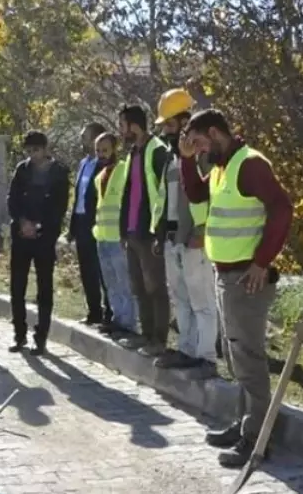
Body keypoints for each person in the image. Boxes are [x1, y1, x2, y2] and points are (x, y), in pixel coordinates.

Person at [180, 109, 292, 468]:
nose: (197, 150)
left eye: (198, 142)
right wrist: (185, 161)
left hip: (247, 277)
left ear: (215, 133)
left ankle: (257, 439)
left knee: (249, 359)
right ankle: (243, 425)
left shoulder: (250, 164)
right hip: (226, 274)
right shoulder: (221, 166)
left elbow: (282, 210)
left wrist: (262, 261)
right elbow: (196, 194)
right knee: (234, 356)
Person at [153, 89, 218, 377]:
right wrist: (161, 234)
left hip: (195, 240)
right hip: (172, 238)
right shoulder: (171, 156)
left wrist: (202, 231)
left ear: (184, 120)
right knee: (181, 298)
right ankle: (186, 349)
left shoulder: (203, 155)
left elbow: (209, 195)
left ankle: (206, 357)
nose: (165, 130)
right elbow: (166, 199)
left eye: (169, 124)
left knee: (202, 301)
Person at [7, 130, 71, 354]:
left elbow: (59, 206)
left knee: (44, 287)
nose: (32, 155)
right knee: (17, 287)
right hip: (21, 236)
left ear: (45, 149)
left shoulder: (59, 173)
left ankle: (40, 336)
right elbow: (12, 199)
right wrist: (22, 222)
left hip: (44, 237)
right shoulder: (22, 170)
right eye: (29, 151)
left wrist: (39, 226)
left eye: (36, 150)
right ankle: (19, 334)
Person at [118, 103, 172, 358]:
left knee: (155, 288)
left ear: (134, 125)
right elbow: (128, 194)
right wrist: (122, 231)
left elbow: (165, 193)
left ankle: (159, 340)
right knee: (139, 287)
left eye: (123, 124)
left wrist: (159, 233)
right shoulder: (132, 153)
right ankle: (146, 335)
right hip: (132, 232)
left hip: (150, 233)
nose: (121, 130)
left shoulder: (158, 151)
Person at [90, 132, 139, 340]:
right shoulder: (98, 177)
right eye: (98, 151)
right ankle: (118, 320)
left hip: (119, 237)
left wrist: (128, 231)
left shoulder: (124, 170)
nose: (101, 154)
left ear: (114, 149)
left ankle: (129, 324)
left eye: (105, 150)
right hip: (102, 237)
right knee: (111, 283)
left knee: (124, 282)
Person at [67, 122, 112, 326]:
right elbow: (78, 195)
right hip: (81, 222)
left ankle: (109, 312)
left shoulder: (105, 165)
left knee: (102, 270)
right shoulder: (84, 163)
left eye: (85, 135)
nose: (81, 138)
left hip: (97, 222)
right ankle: (94, 311)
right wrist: (72, 227)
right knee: (86, 270)